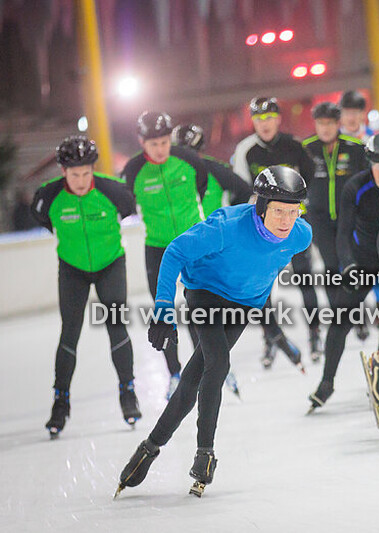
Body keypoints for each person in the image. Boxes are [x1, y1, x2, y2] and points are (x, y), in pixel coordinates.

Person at [115, 166, 312, 498]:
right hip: (205, 292)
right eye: (279, 211)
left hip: (244, 304)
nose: (286, 220)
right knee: (217, 364)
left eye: (293, 212)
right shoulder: (227, 227)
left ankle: (148, 448)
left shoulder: (300, 235)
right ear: (261, 206)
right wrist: (164, 306)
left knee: (194, 375)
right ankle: (205, 453)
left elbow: (268, 261)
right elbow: (174, 251)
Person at [31, 136, 139, 437]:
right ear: (63, 171)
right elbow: (40, 216)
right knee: (70, 332)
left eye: (86, 172)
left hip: (110, 266)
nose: (80, 180)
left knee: (117, 328)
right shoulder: (47, 196)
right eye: (74, 174)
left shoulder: (114, 191)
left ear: (93, 169)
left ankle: (127, 392)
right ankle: (60, 403)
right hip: (72, 270)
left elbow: (129, 209)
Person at [307, 133, 379, 412]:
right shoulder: (355, 187)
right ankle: (327, 381)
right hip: (363, 261)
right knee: (339, 321)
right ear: (369, 163)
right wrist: (346, 265)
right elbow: (343, 233)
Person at [121, 111, 208, 399]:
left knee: (199, 306)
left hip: (193, 242)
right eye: (153, 143)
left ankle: (204, 367)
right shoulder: (133, 170)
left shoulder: (189, 160)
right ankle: (174, 373)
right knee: (164, 311)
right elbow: (125, 204)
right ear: (141, 142)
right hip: (158, 247)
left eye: (163, 142)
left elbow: (203, 185)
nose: (159, 149)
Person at [231, 97, 320, 365]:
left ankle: (315, 333)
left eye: (269, 118)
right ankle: (270, 337)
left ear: (279, 119)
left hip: (294, 225)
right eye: (259, 120)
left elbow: (311, 181)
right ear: (253, 122)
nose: (265, 125)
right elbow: (239, 190)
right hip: (263, 230)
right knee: (263, 285)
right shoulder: (246, 151)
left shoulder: (295, 147)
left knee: (304, 278)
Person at [302, 102, 369, 309]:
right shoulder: (306, 149)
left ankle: (356, 312)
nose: (325, 128)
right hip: (319, 217)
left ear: (337, 123)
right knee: (330, 265)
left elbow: (367, 181)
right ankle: (339, 312)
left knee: (349, 263)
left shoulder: (355, 147)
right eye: (321, 123)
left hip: (348, 217)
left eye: (330, 123)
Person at [171, 124, 251, 215]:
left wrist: (231, 214)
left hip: (212, 227)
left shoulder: (215, 170)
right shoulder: (166, 173)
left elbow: (244, 190)